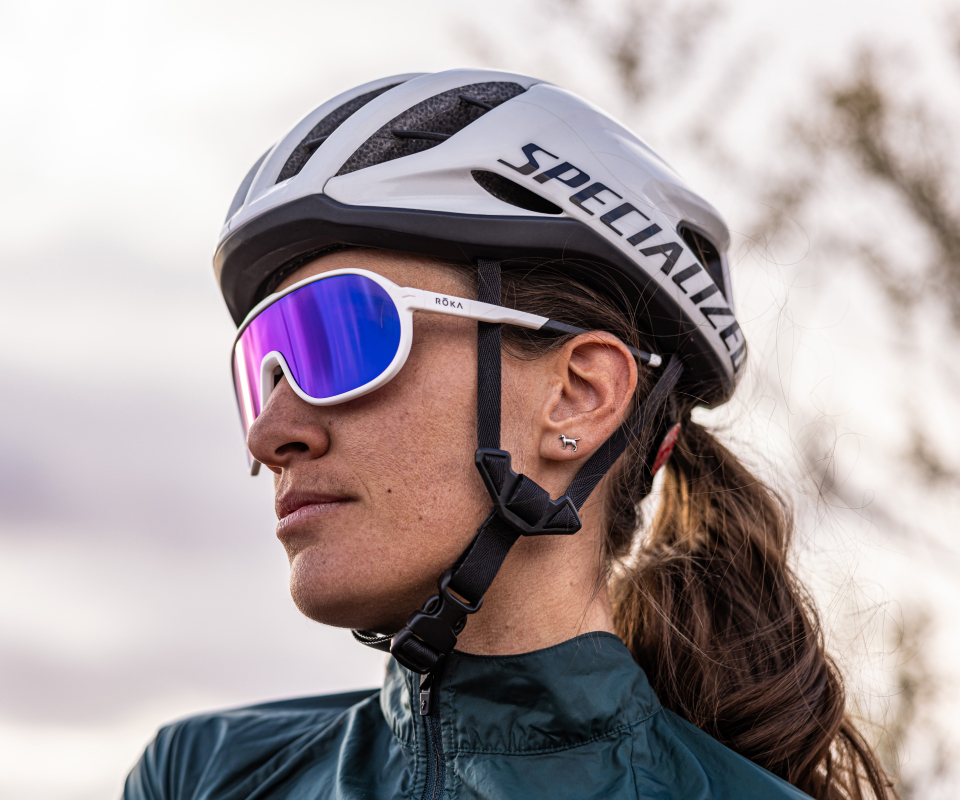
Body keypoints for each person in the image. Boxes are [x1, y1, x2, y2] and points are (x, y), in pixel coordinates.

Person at [124, 69, 895, 799]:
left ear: (579, 397)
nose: (268, 433)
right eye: (265, 364)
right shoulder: (200, 777)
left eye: (344, 336)